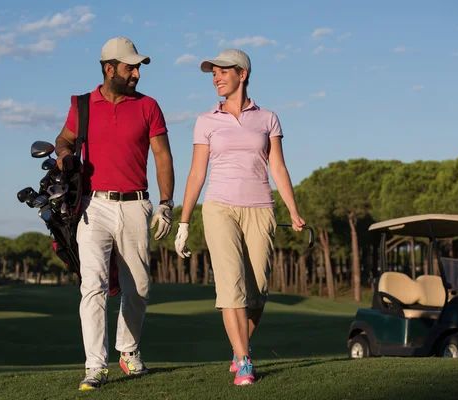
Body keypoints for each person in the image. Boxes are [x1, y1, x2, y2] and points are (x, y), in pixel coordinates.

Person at [174, 49, 305, 386]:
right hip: (219, 207)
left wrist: (292, 208)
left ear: (242, 74)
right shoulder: (206, 121)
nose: (216, 78)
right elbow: (195, 174)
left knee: (257, 290)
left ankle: (238, 347)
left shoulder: (268, 118)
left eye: (222, 72)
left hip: (261, 207)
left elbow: (277, 166)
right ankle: (245, 361)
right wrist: (184, 222)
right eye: (213, 73)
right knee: (230, 288)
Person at [54, 37, 175, 391]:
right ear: (109, 68)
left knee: (138, 287)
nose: (137, 73)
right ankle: (95, 366)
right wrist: (64, 154)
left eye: (138, 67)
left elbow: (163, 156)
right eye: (130, 67)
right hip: (94, 206)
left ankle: (128, 350)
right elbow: (64, 140)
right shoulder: (82, 105)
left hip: (137, 204)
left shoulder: (149, 106)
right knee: (93, 286)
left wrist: (166, 203)